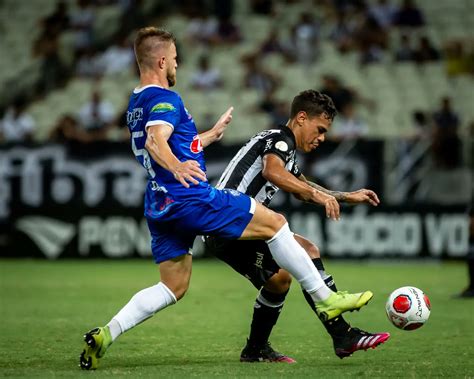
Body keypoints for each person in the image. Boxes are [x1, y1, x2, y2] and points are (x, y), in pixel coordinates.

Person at [79, 27, 373, 370]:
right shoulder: (166, 98)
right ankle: (327, 299)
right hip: (189, 196)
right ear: (161, 60)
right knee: (276, 224)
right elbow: (155, 142)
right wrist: (177, 168)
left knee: (173, 286)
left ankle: (106, 334)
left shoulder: (136, 103)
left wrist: (207, 137)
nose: (177, 65)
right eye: (174, 59)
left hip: (159, 204)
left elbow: (166, 140)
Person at [205, 89, 390, 363]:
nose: (322, 138)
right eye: (320, 129)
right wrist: (320, 196)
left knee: (289, 269)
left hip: (238, 224)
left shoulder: (282, 147)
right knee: (292, 262)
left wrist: (344, 196)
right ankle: (342, 334)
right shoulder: (280, 140)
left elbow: (302, 186)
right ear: (301, 118)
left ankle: (256, 350)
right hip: (228, 223)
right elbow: (272, 172)